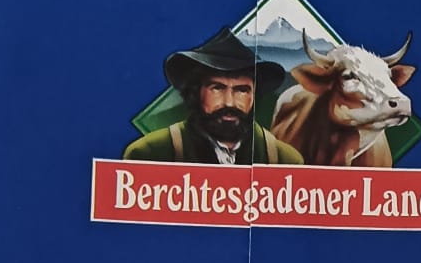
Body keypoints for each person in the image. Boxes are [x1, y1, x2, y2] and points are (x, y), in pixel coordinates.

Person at [124, 28, 303, 165]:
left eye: (242, 90)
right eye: (217, 88)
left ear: (254, 96)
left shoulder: (284, 160)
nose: (229, 102)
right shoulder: (151, 154)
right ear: (196, 92)